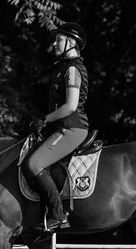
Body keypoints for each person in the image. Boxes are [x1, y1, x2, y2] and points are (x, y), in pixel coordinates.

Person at [23, 22, 92, 233]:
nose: (54, 43)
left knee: (34, 164)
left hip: (72, 128)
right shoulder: (63, 68)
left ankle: (58, 215)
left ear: (71, 43)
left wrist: (44, 120)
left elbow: (70, 106)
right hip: (61, 127)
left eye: (59, 40)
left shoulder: (72, 70)